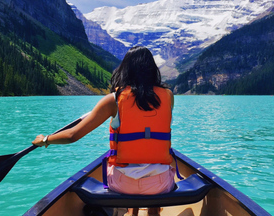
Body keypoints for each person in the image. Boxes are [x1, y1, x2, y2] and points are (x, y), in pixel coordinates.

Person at [32, 46, 176, 216]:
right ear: (152, 70)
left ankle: (128, 211)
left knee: (118, 167)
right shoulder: (168, 96)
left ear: (125, 70)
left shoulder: (113, 100)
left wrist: (45, 139)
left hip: (124, 183)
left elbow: (72, 135)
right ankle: (153, 212)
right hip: (159, 184)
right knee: (162, 165)